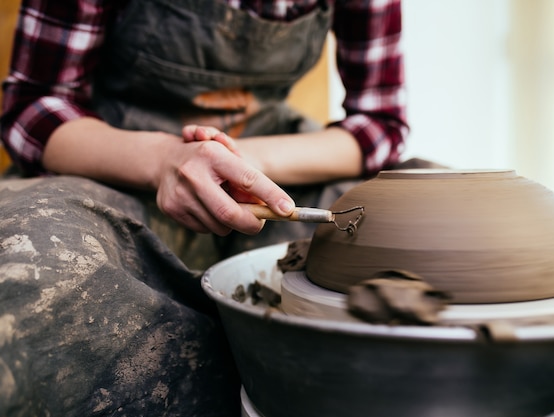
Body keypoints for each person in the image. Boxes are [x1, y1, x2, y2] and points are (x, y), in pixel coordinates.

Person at [0, 0, 409, 415]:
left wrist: (235, 163)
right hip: (118, 157)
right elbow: (32, 108)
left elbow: (380, 122)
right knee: (31, 265)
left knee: (407, 216)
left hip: (271, 158)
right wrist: (165, 161)